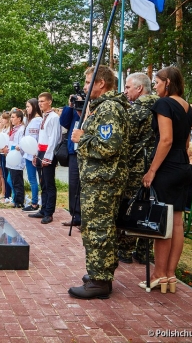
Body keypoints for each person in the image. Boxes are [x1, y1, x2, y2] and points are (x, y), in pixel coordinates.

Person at [69, 65, 130, 299]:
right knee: (99, 228)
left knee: (98, 229)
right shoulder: (102, 108)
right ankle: (100, 271)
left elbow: (109, 147)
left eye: (87, 83)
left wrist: (82, 138)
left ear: (101, 83)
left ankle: (100, 281)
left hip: (103, 182)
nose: (84, 88)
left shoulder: (109, 109)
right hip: (99, 180)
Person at [139, 66, 192, 293]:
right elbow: (185, 142)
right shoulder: (186, 106)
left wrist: (152, 171)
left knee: (163, 222)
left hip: (166, 169)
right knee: (178, 223)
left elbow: (166, 140)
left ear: (168, 83)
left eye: (158, 81)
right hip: (183, 167)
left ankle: (158, 274)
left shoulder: (163, 104)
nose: (155, 85)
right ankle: (170, 275)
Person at [117, 73, 158, 265]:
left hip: (136, 167)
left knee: (129, 206)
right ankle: (144, 251)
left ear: (139, 88)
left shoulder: (137, 111)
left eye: (127, 87)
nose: (125, 91)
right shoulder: (162, 107)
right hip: (157, 166)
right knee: (150, 207)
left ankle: (125, 249)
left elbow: (126, 139)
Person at [28, 93, 61, 224]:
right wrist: (36, 154)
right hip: (41, 151)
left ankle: (49, 212)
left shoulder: (54, 118)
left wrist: (48, 156)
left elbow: (54, 138)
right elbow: (40, 138)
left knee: (49, 183)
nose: (40, 104)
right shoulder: (43, 117)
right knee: (42, 182)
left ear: (50, 102)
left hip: (48, 152)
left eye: (43, 101)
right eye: (39, 101)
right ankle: (43, 208)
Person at [59, 93, 82, 226]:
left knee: (84, 185)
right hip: (73, 151)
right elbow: (64, 123)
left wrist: (84, 105)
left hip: (85, 151)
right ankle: (75, 215)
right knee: (73, 184)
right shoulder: (73, 109)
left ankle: (85, 216)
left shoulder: (92, 105)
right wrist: (70, 106)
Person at [2, 110, 25, 208]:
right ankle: (16, 198)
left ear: (19, 119)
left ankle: (19, 200)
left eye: (13, 117)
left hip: (17, 156)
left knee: (17, 180)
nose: (11, 119)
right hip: (11, 155)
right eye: (11, 117)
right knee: (11, 179)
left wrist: (17, 147)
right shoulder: (15, 129)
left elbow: (21, 142)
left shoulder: (22, 129)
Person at [22, 99, 42, 212]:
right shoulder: (31, 120)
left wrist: (35, 153)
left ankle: (35, 203)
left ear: (34, 107)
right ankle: (35, 201)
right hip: (28, 153)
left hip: (33, 154)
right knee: (31, 179)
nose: (27, 109)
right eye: (26, 106)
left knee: (33, 179)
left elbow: (35, 138)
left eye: (28, 106)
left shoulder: (37, 120)